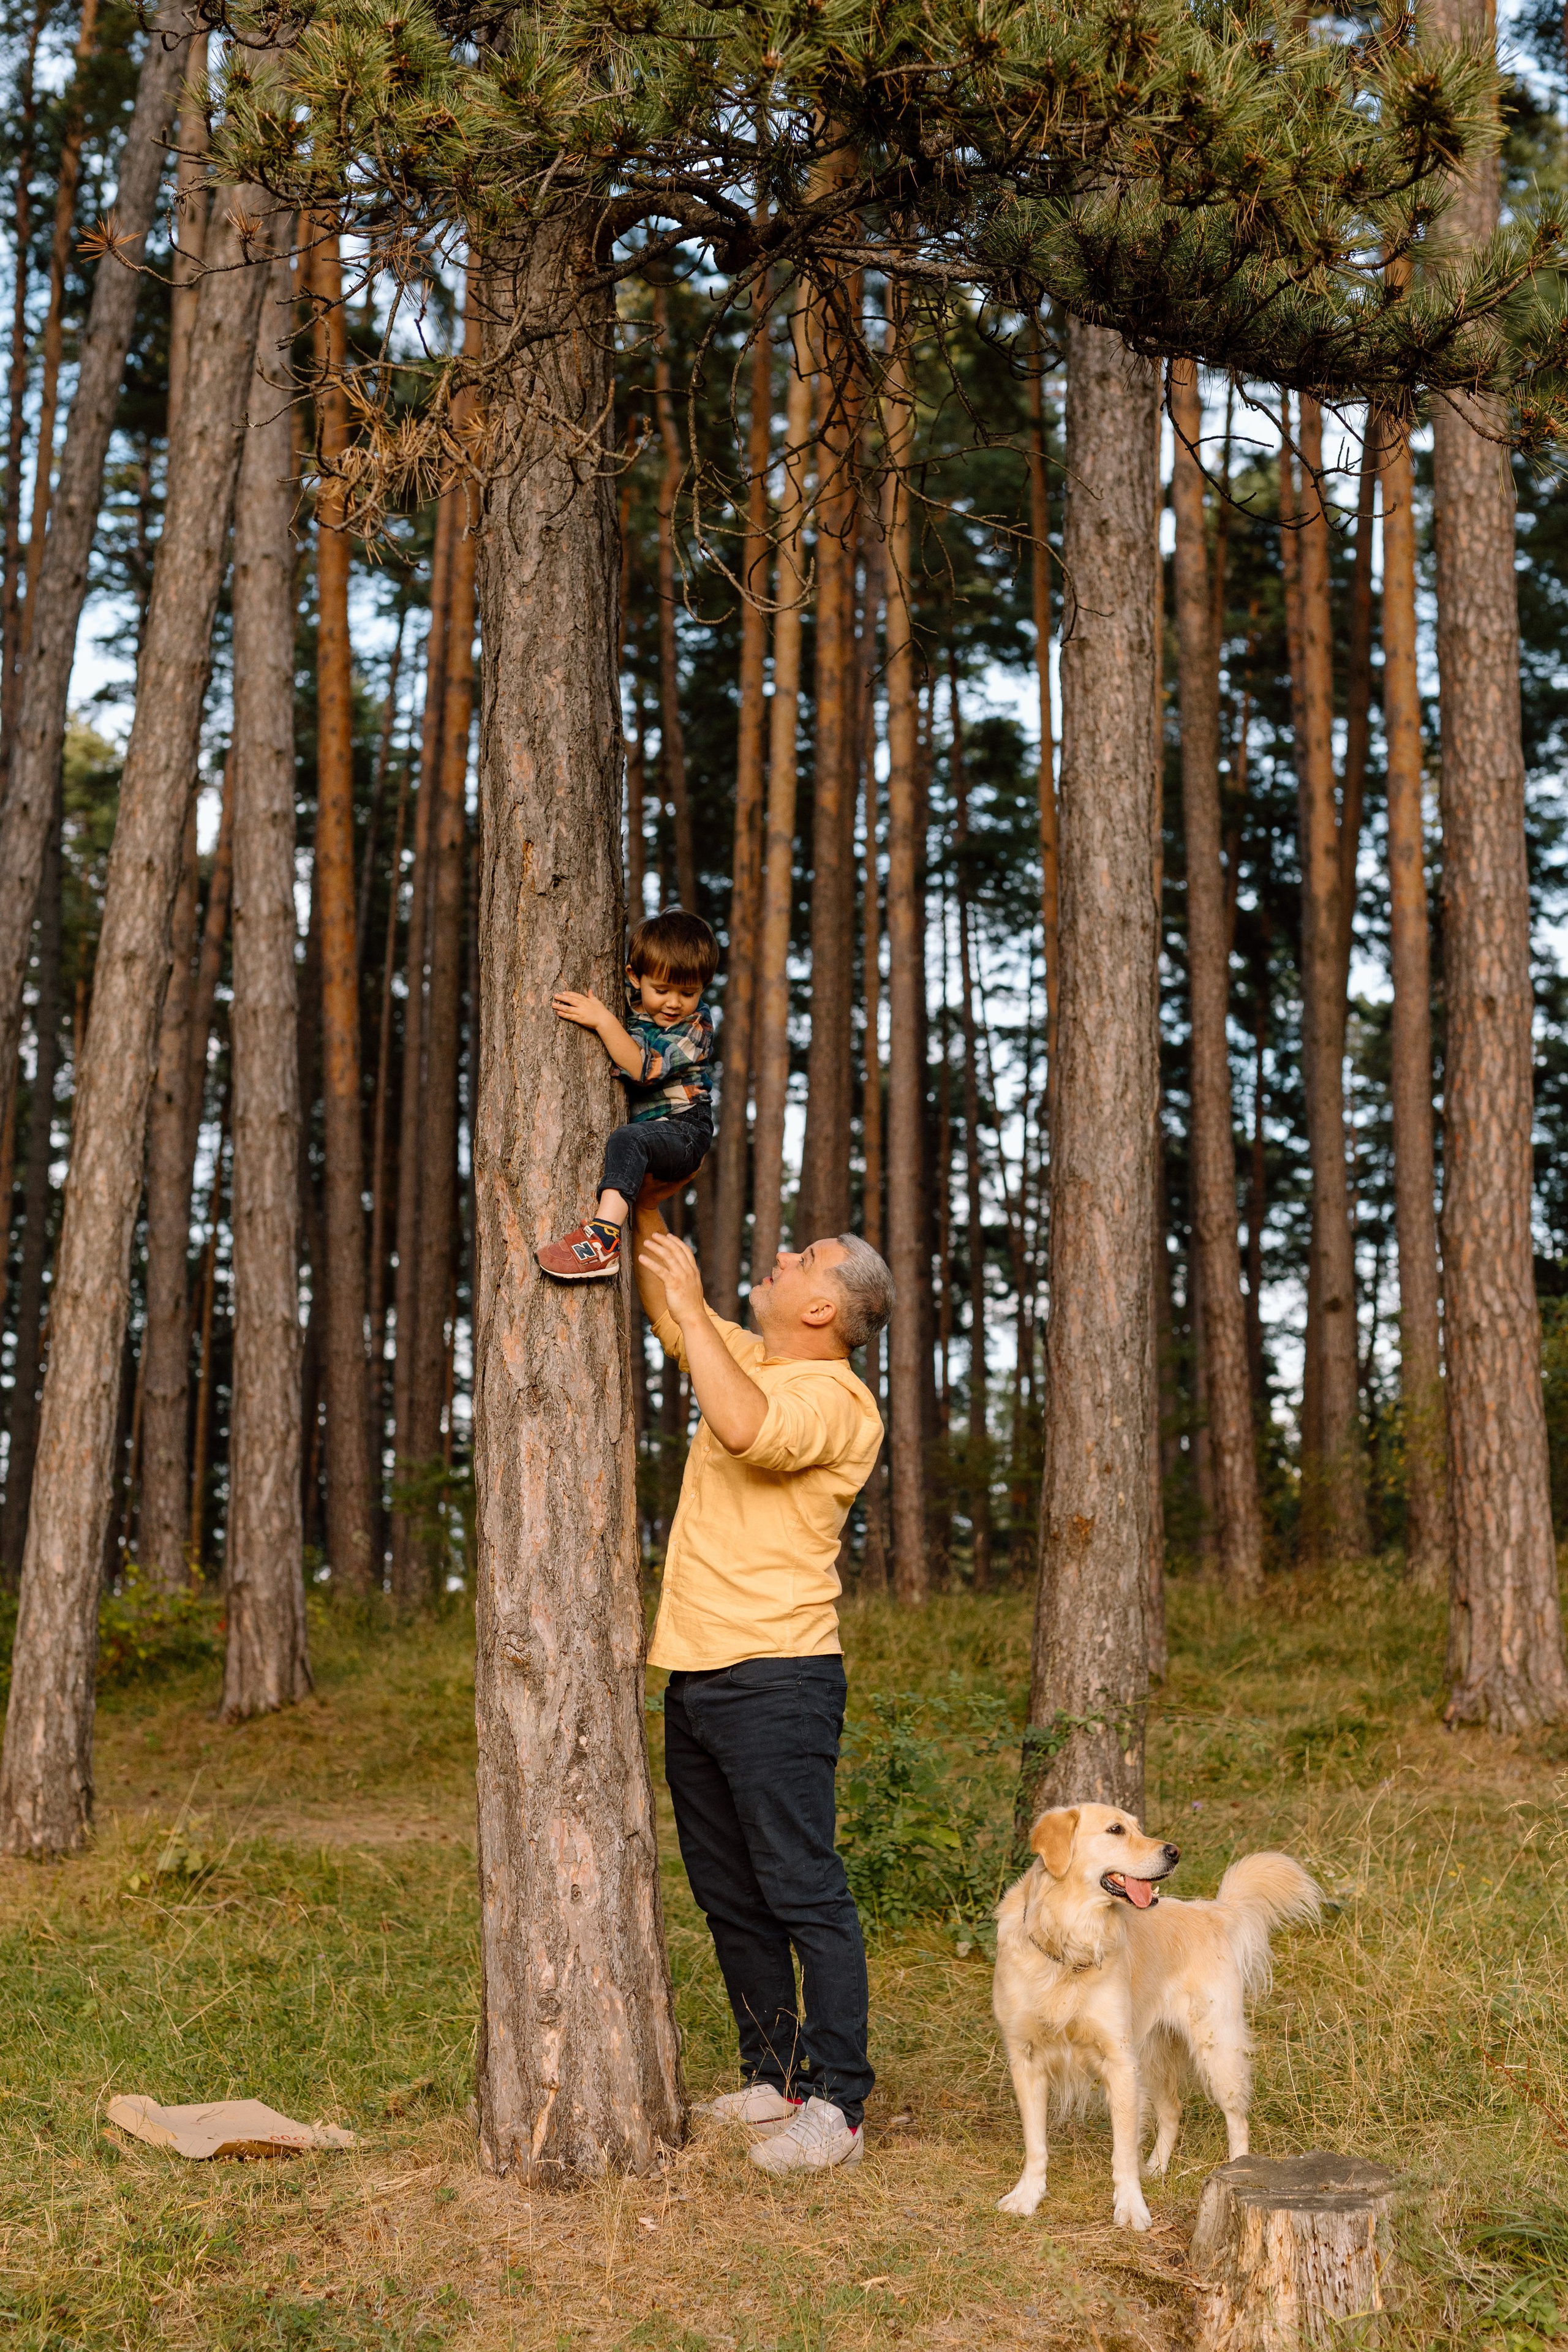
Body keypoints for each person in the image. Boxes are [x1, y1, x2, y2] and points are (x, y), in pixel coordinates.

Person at [633, 1192, 894, 2176]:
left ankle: (839, 2105)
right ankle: (775, 2076)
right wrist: (648, 1187)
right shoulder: (748, 1353)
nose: (783, 1254)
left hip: (778, 1676)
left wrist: (700, 1313)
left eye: (807, 1255)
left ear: (826, 1309)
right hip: (697, 1672)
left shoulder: (835, 1401)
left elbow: (743, 1428)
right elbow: (669, 1302)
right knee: (730, 1896)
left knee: (801, 1891)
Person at [537, 909, 718, 1281]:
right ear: (634, 977)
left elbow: (642, 1068)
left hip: (685, 1129)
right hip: (652, 1133)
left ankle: (602, 1242)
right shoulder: (631, 1005)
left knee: (628, 1139)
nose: (673, 1003)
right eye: (662, 989)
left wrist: (603, 1020)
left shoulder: (696, 1026)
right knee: (630, 1142)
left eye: (688, 993)